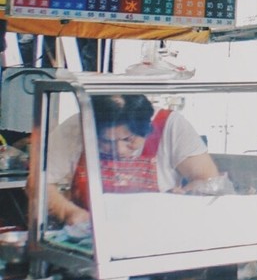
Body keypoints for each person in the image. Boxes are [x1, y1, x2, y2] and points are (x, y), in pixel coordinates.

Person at [37, 93, 221, 227]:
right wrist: (69, 212)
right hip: (88, 236)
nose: (118, 150)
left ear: (146, 128)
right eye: (105, 142)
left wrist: (183, 198)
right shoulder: (76, 127)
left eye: (129, 139)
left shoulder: (170, 126)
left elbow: (208, 180)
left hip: (158, 233)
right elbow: (38, 183)